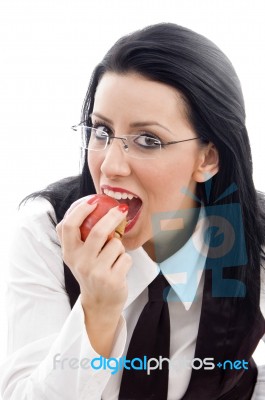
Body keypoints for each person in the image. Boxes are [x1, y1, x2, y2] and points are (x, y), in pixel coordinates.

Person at [0, 22, 264, 400]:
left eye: (147, 140)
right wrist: (97, 310)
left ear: (207, 158)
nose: (110, 165)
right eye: (101, 131)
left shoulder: (250, 239)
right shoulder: (46, 233)